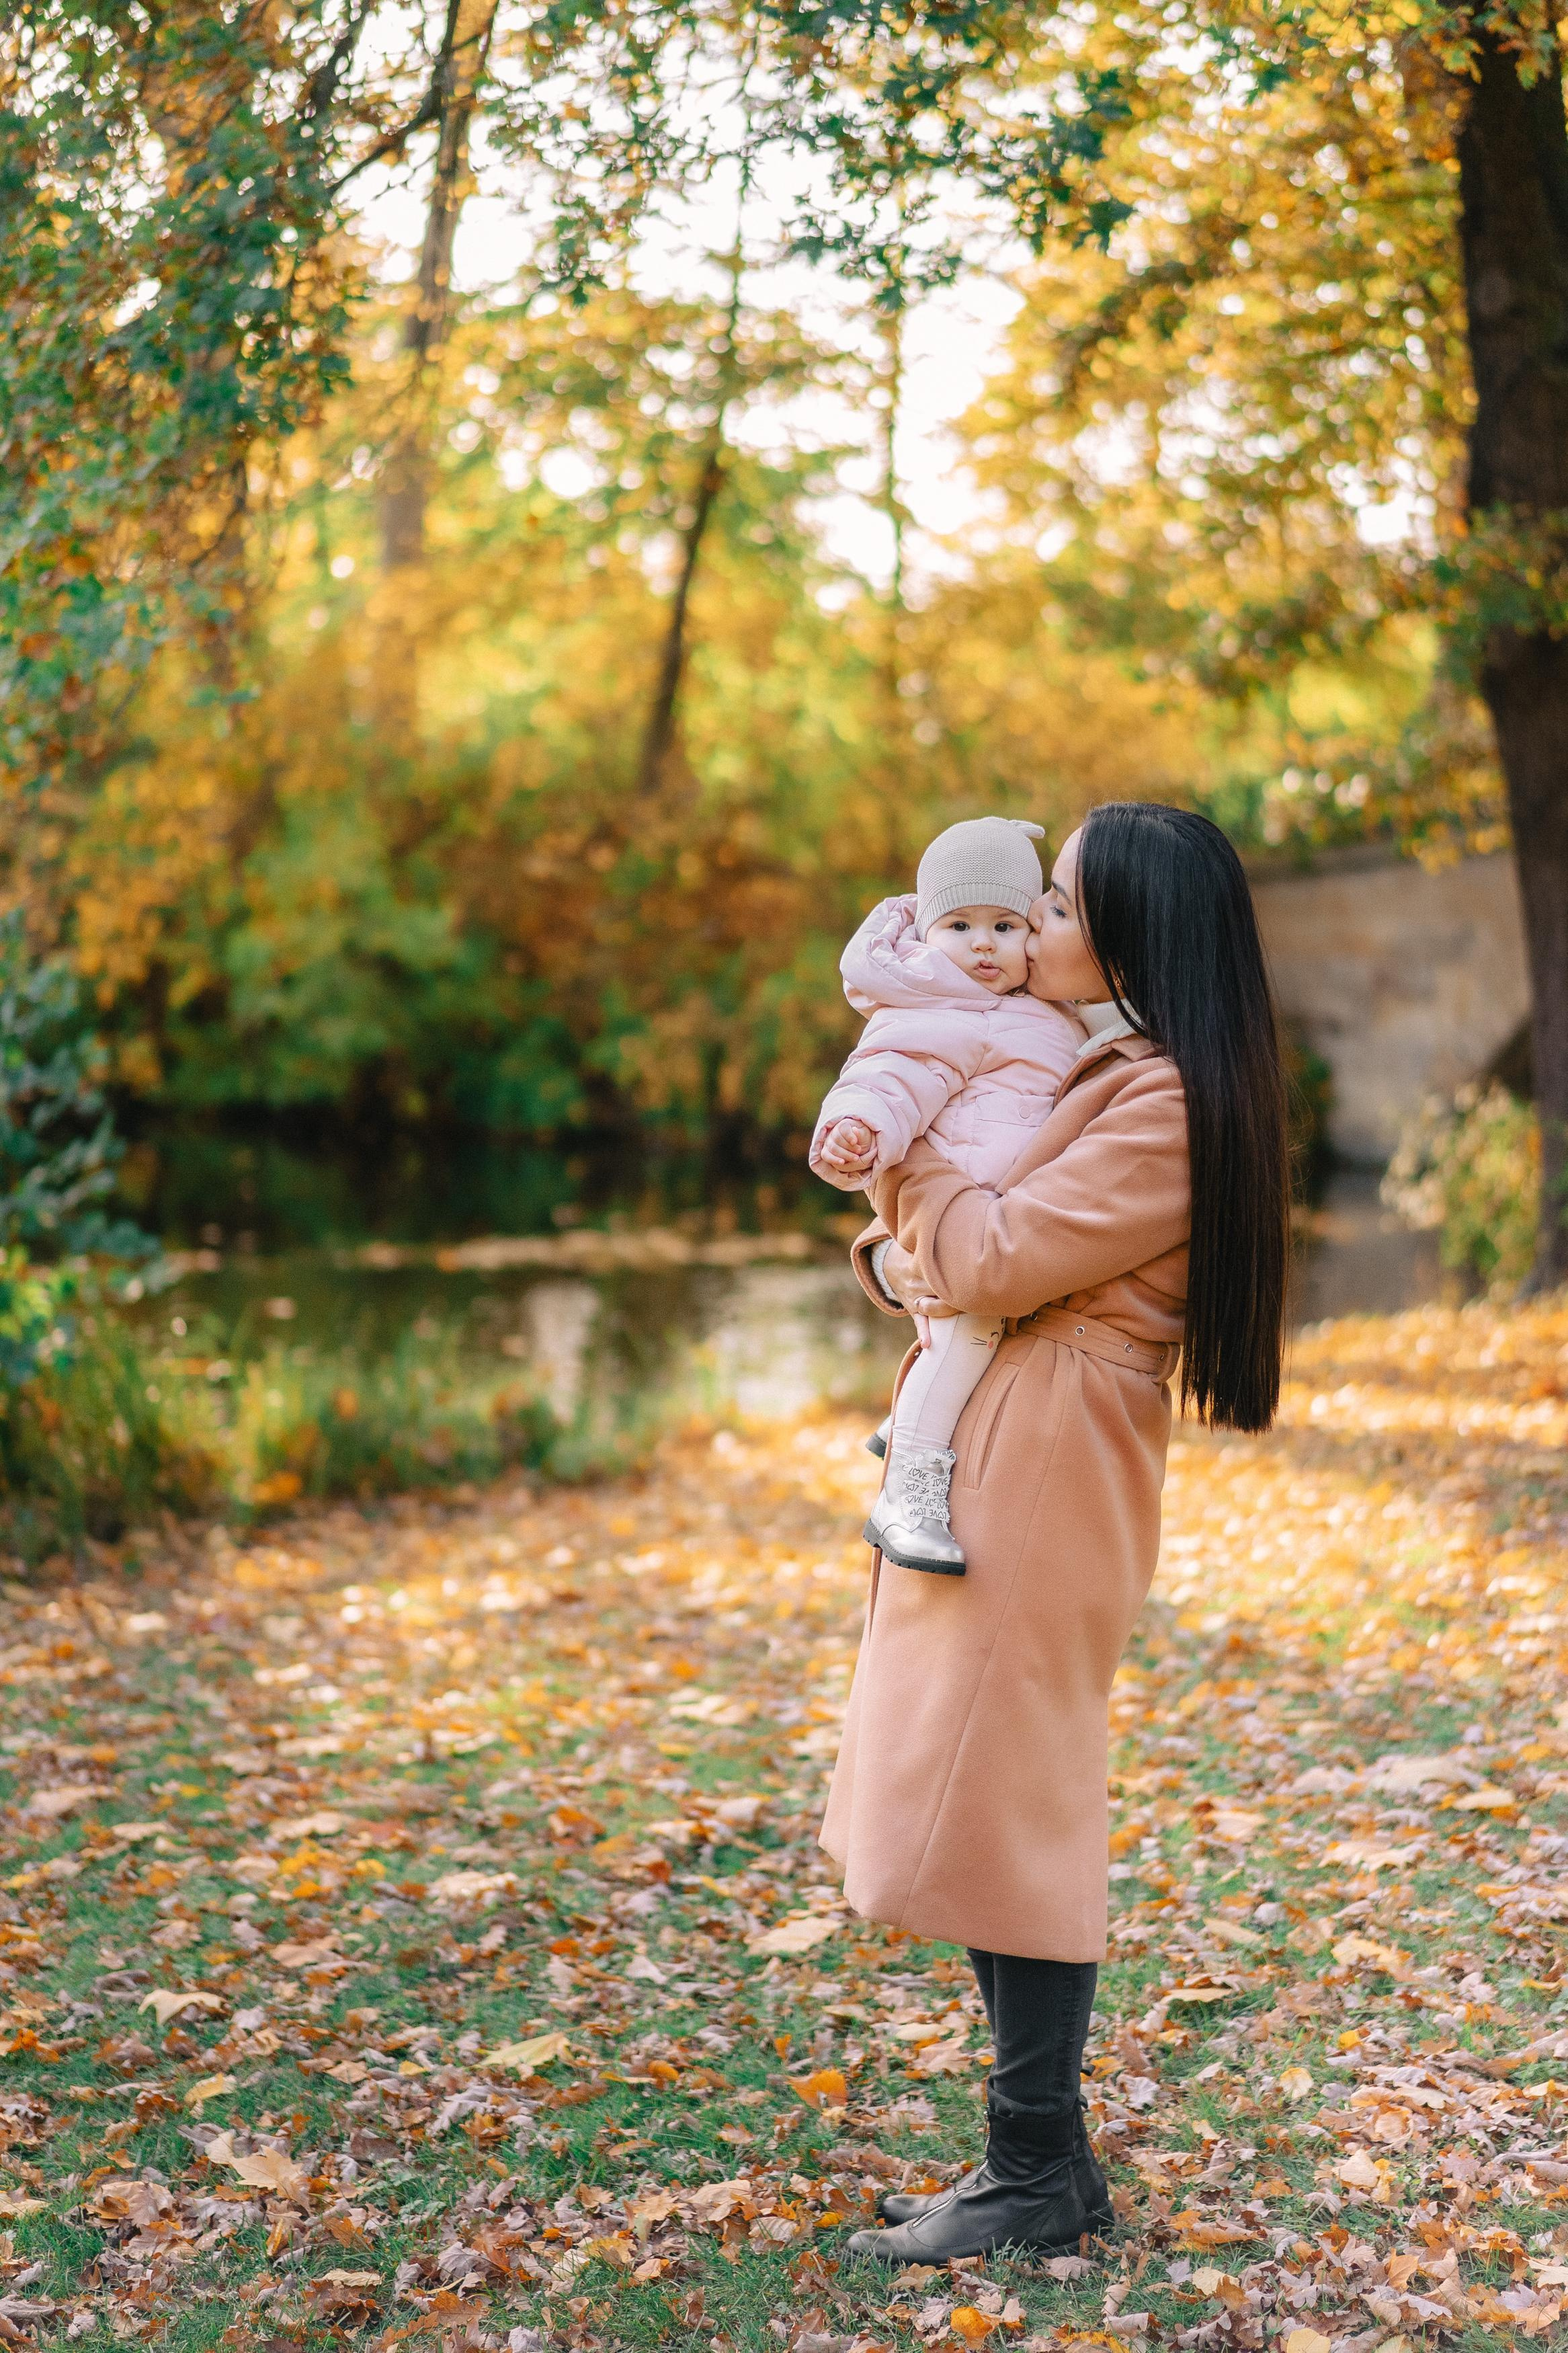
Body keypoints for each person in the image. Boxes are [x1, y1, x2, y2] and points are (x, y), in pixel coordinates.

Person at [821, 803, 1290, 2264]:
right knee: (989, 1797)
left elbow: (991, 1252)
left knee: (1008, 1801)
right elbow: (967, 1253)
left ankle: (1028, 2171)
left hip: (1044, 1457)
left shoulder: (1161, 1103)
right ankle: (1045, 2167)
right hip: (1012, 1428)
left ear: (1136, 933)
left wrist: (895, 1150)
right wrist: (917, 1231)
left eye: (1065, 910)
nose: (1032, 933)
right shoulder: (1111, 1066)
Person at [811, 817, 1083, 1572]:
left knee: (965, 1336)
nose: (983, 944)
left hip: (998, 1214)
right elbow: (888, 1077)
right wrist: (858, 1128)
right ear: (927, 932)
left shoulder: (1039, 1009)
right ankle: (909, 1488)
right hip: (964, 1216)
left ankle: (906, 1423)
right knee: (971, 1328)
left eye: (1005, 924)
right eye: (959, 925)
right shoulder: (934, 1007)